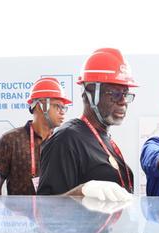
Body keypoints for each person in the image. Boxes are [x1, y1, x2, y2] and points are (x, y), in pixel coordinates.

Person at [37, 48, 136, 198]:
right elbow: (45, 206)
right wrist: (82, 191)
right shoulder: (66, 139)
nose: (123, 101)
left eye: (125, 94)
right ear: (88, 95)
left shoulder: (105, 139)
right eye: (115, 93)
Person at [0, 77, 71, 195]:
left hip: (56, 207)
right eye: (57, 106)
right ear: (40, 106)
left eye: (64, 107)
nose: (62, 112)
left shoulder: (63, 142)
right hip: (19, 208)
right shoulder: (10, 140)